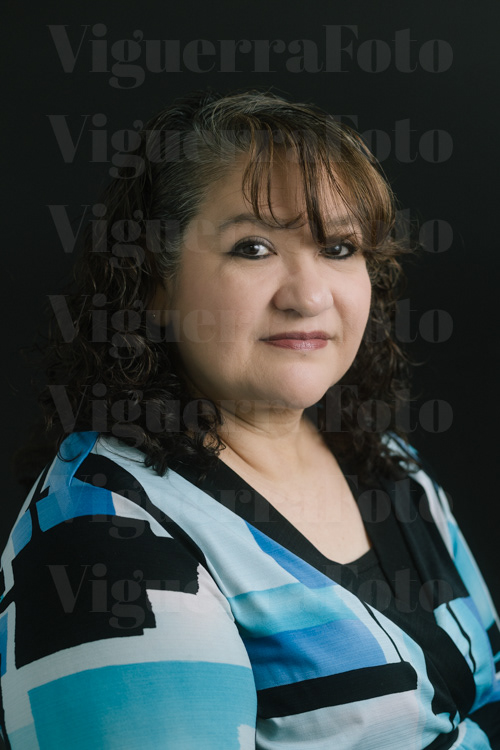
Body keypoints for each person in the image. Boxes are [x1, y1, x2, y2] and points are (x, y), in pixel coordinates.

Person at [0, 89, 498, 749]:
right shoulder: (99, 537)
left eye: (339, 247)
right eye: (253, 248)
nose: (309, 296)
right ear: (153, 283)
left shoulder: (389, 465)